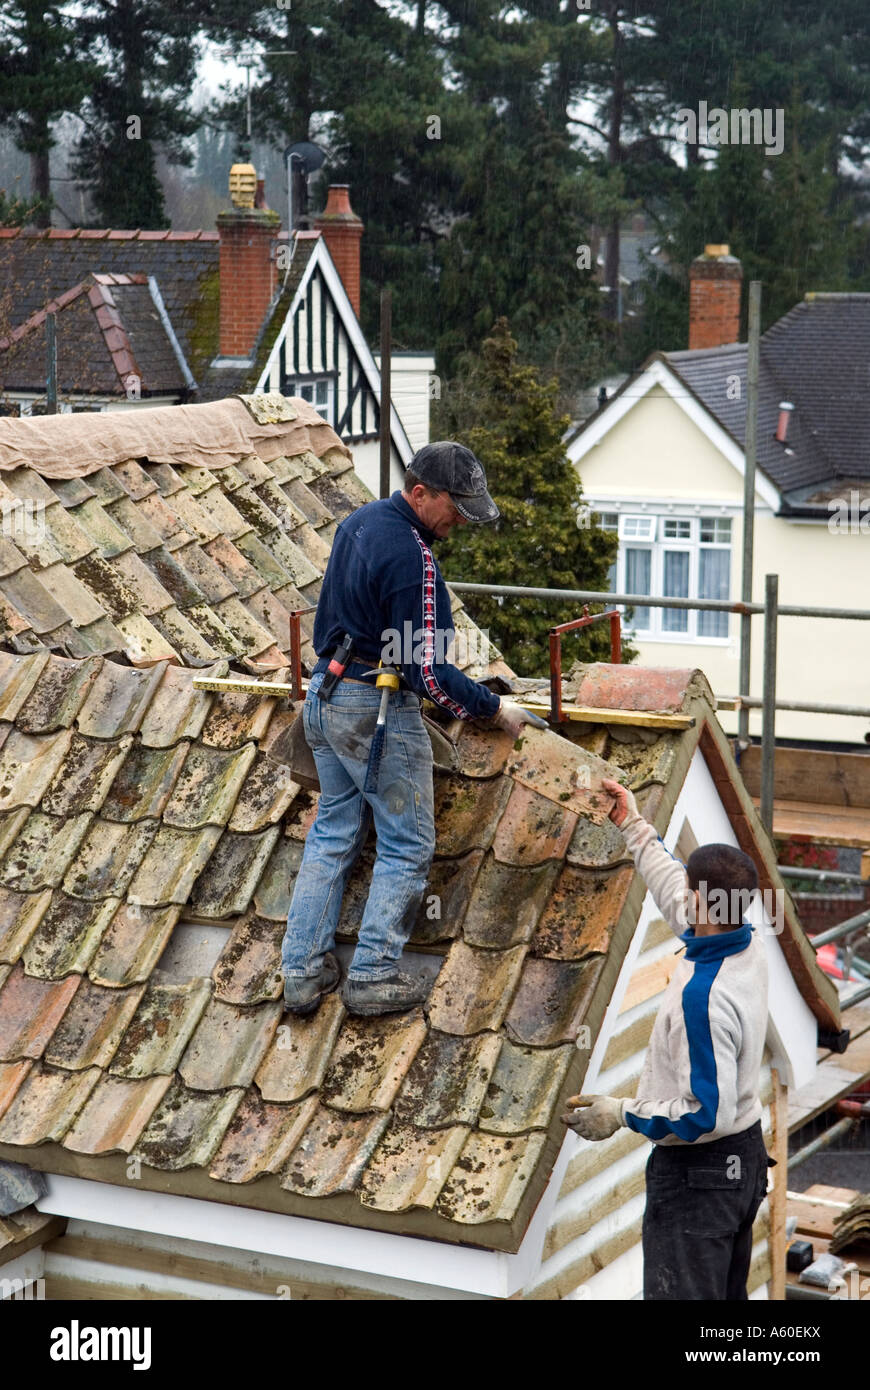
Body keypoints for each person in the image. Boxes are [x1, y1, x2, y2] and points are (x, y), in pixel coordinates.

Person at [281, 441, 540, 1020]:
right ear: (420, 492)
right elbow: (427, 671)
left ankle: (301, 972)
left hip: (324, 696)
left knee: (334, 831)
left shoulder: (360, 523)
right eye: (457, 508)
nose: (462, 522)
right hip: (373, 709)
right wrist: (494, 712)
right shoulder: (412, 556)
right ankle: (371, 975)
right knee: (407, 841)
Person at [562, 777, 772, 1301]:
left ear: (703, 903)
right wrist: (632, 824)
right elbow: (671, 889)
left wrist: (621, 1113)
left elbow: (706, 1115)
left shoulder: (704, 999)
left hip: (703, 1173)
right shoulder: (737, 939)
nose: (684, 898)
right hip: (741, 1161)